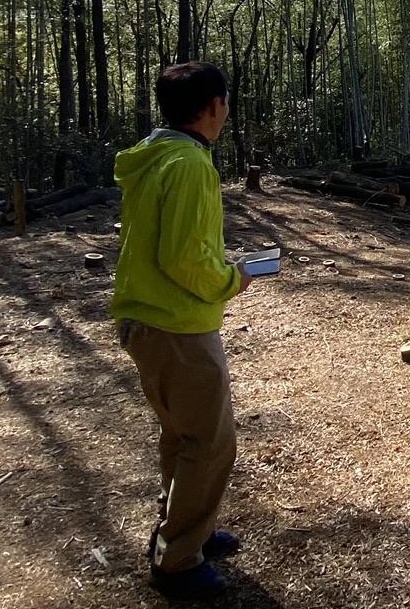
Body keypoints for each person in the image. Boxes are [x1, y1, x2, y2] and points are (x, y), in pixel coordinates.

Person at [109, 62, 252, 600]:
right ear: (214, 106)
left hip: (146, 319)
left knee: (182, 436)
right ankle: (178, 560)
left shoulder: (154, 156)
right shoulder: (190, 164)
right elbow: (183, 259)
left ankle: (188, 530)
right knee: (212, 442)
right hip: (177, 325)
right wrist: (232, 279)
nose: (227, 112)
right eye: (226, 103)